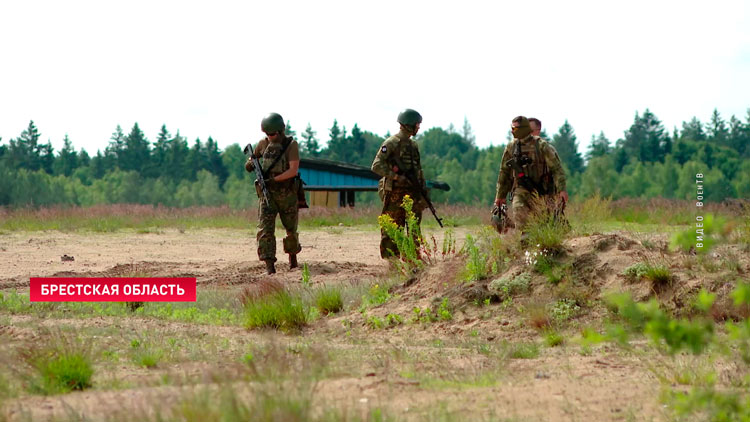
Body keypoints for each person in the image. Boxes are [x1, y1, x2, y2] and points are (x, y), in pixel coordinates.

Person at [245, 112, 302, 274]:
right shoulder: (262, 144)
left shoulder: (291, 145)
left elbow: (293, 170)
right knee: (265, 230)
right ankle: (269, 266)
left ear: (281, 130)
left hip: (287, 193)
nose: (270, 137)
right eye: (267, 134)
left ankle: (293, 259)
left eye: (273, 134)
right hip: (267, 194)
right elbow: (252, 160)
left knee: (290, 229)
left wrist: (274, 180)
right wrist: (250, 164)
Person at [493, 116, 568, 235]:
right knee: (520, 215)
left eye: (515, 128)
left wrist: (561, 190)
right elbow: (504, 172)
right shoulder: (511, 147)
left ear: (523, 128)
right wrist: (500, 196)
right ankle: (525, 246)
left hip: (543, 191)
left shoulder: (542, 146)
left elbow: (557, 170)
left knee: (546, 223)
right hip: (521, 189)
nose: (512, 131)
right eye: (511, 128)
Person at [371, 109, 426, 259]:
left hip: (413, 193)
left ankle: (413, 259)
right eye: (417, 124)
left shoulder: (413, 145)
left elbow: (418, 170)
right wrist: (396, 177)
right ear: (408, 125)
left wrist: (423, 192)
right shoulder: (391, 143)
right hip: (395, 193)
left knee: (414, 228)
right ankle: (392, 262)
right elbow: (376, 165)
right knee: (393, 228)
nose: (418, 127)